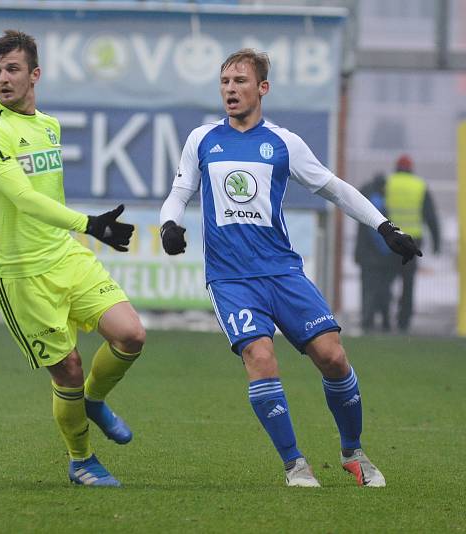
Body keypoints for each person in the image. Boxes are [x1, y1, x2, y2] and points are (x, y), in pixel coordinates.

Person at [159, 48, 421, 488]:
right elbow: (180, 190)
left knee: (333, 357)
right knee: (260, 357)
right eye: (225, 82)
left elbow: (334, 188)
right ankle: (295, 464)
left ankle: (353, 451)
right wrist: (170, 223)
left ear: (262, 88)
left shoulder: (283, 143)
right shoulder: (202, 139)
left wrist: (384, 226)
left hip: (282, 272)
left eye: (240, 81)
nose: (230, 89)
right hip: (231, 279)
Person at [0, 30, 146, 487]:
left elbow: (46, 196)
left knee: (131, 335)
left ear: (34, 74)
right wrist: (90, 224)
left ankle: (93, 400)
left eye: (12, 69)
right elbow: (24, 199)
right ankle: (82, 460)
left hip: (65, 255)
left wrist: (79, 233)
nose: (3, 79)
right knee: (67, 367)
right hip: (20, 274)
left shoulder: (48, 126)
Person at [385, 154, 441, 332]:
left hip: (390, 239)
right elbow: (431, 217)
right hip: (412, 242)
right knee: (407, 283)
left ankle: (385, 318)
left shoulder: (388, 183)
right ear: (411, 168)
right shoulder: (419, 186)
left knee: (386, 280)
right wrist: (436, 243)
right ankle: (403, 320)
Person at [354, 173, 393, 332]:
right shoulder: (377, 201)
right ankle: (379, 321)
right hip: (377, 257)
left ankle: (367, 319)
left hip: (365, 255)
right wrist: (387, 250)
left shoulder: (367, 198)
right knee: (381, 289)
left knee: (367, 288)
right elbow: (376, 232)